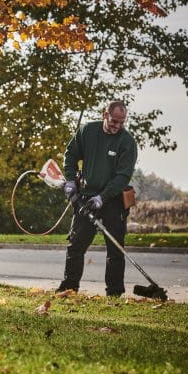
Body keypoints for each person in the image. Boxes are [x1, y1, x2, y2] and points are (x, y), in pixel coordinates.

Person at [57, 100, 137, 297]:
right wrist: (70, 180)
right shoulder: (88, 131)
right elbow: (70, 155)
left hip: (114, 200)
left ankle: (115, 292)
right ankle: (69, 288)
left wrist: (103, 196)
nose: (117, 126)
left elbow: (122, 176)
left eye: (121, 122)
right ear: (105, 114)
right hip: (86, 196)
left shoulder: (127, 142)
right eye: (113, 121)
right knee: (76, 244)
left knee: (115, 248)